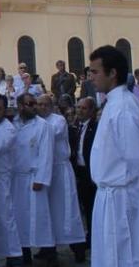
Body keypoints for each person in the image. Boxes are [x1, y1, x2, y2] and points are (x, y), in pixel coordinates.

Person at [87, 45, 139, 266]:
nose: (91, 77)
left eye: (95, 71)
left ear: (112, 73)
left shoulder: (125, 108)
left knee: (125, 257)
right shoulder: (113, 103)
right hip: (110, 196)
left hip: (124, 199)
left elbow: (137, 161)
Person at [36, 94, 87, 262]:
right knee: (46, 210)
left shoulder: (58, 121)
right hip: (45, 171)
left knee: (67, 211)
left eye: (45, 105)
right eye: (39, 104)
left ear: (51, 106)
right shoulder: (37, 122)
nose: (41, 107)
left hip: (60, 171)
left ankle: (77, 248)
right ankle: (47, 247)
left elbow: (47, 136)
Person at [11, 93, 56, 265]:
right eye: (29, 104)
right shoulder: (13, 124)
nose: (33, 107)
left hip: (33, 178)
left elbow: (46, 154)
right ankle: (24, 253)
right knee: (19, 219)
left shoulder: (43, 126)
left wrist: (41, 178)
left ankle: (50, 252)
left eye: (34, 103)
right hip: (17, 179)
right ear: (20, 106)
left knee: (40, 217)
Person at [0, 94, 24, 267]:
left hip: (2, 182)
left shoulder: (9, 129)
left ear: (5, 110)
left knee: (5, 220)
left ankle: (15, 258)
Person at [68, 97, 97, 252]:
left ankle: (94, 236)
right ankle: (87, 236)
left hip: (90, 172)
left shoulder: (96, 127)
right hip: (79, 171)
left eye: (83, 108)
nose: (79, 111)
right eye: (78, 107)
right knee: (84, 206)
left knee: (92, 207)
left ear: (92, 111)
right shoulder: (76, 127)